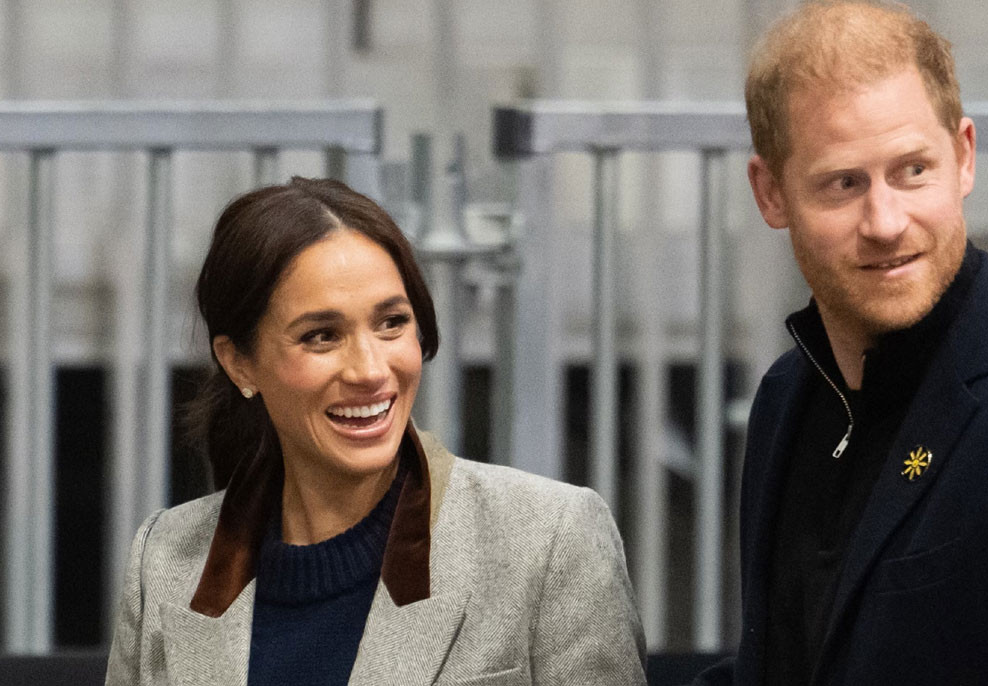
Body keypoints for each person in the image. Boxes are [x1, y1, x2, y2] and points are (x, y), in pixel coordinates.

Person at [697, 2, 988, 685]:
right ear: (770, 194)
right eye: (844, 184)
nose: (885, 221)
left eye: (912, 170)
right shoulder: (786, 397)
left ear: (964, 156)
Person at [105, 177, 647, 685]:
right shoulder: (164, 559)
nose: (369, 370)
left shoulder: (550, 540)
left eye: (392, 323)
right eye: (321, 335)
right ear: (239, 364)